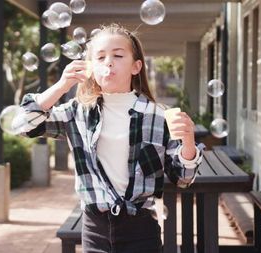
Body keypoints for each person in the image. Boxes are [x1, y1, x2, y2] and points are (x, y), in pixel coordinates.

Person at [12, 23, 205, 253]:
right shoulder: (78, 112)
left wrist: (189, 142)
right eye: (100, 57)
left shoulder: (159, 115)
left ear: (136, 66)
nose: (108, 62)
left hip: (141, 230)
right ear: (91, 67)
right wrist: (62, 85)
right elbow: (22, 124)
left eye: (118, 55)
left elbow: (183, 178)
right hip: (95, 229)